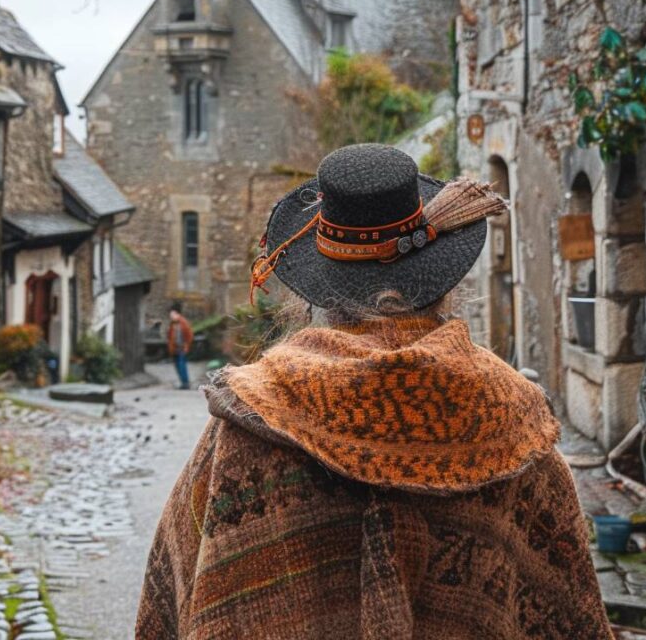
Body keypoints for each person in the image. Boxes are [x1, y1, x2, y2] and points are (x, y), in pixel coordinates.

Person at [137, 144, 612, 639]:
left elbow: (169, 601)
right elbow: (569, 614)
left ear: (312, 294)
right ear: (443, 285)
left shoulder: (247, 426)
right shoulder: (515, 429)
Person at [166, 303, 194, 390]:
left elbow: (189, 335)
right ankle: (183, 382)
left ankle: (185, 383)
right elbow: (170, 336)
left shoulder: (183, 323)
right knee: (178, 366)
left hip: (181, 347)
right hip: (175, 348)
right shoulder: (172, 324)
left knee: (182, 365)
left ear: (177, 314)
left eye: (172, 314)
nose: (171, 316)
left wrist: (186, 345)